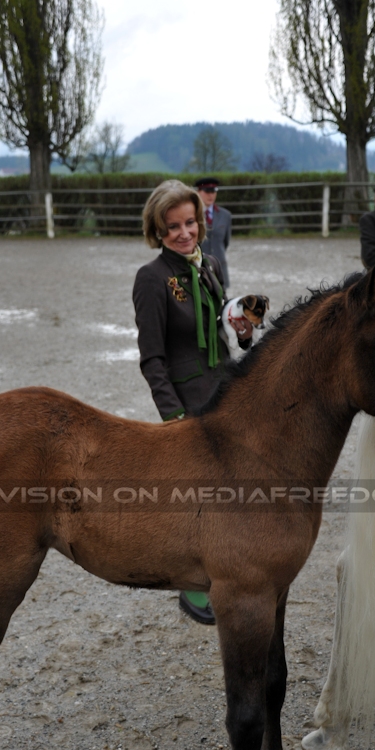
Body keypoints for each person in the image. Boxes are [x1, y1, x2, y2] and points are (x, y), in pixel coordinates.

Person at [133, 179, 231, 625]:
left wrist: (243, 331)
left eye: (189, 222)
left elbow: (220, 331)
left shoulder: (210, 264)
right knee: (195, 497)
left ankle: (222, 568)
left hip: (225, 390)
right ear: (158, 230)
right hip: (187, 401)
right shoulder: (152, 278)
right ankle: (191, 585)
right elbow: (152, 359)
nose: (184, 233)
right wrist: (173, 417)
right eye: (173, 226)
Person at [195, 177, 232, 289]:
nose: (210, 195)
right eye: (207, 192)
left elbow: (225, 242)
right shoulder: (193, 215)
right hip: (199, 267)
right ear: (198, 192)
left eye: (213, 192)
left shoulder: (225, 215)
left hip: (219, 268)